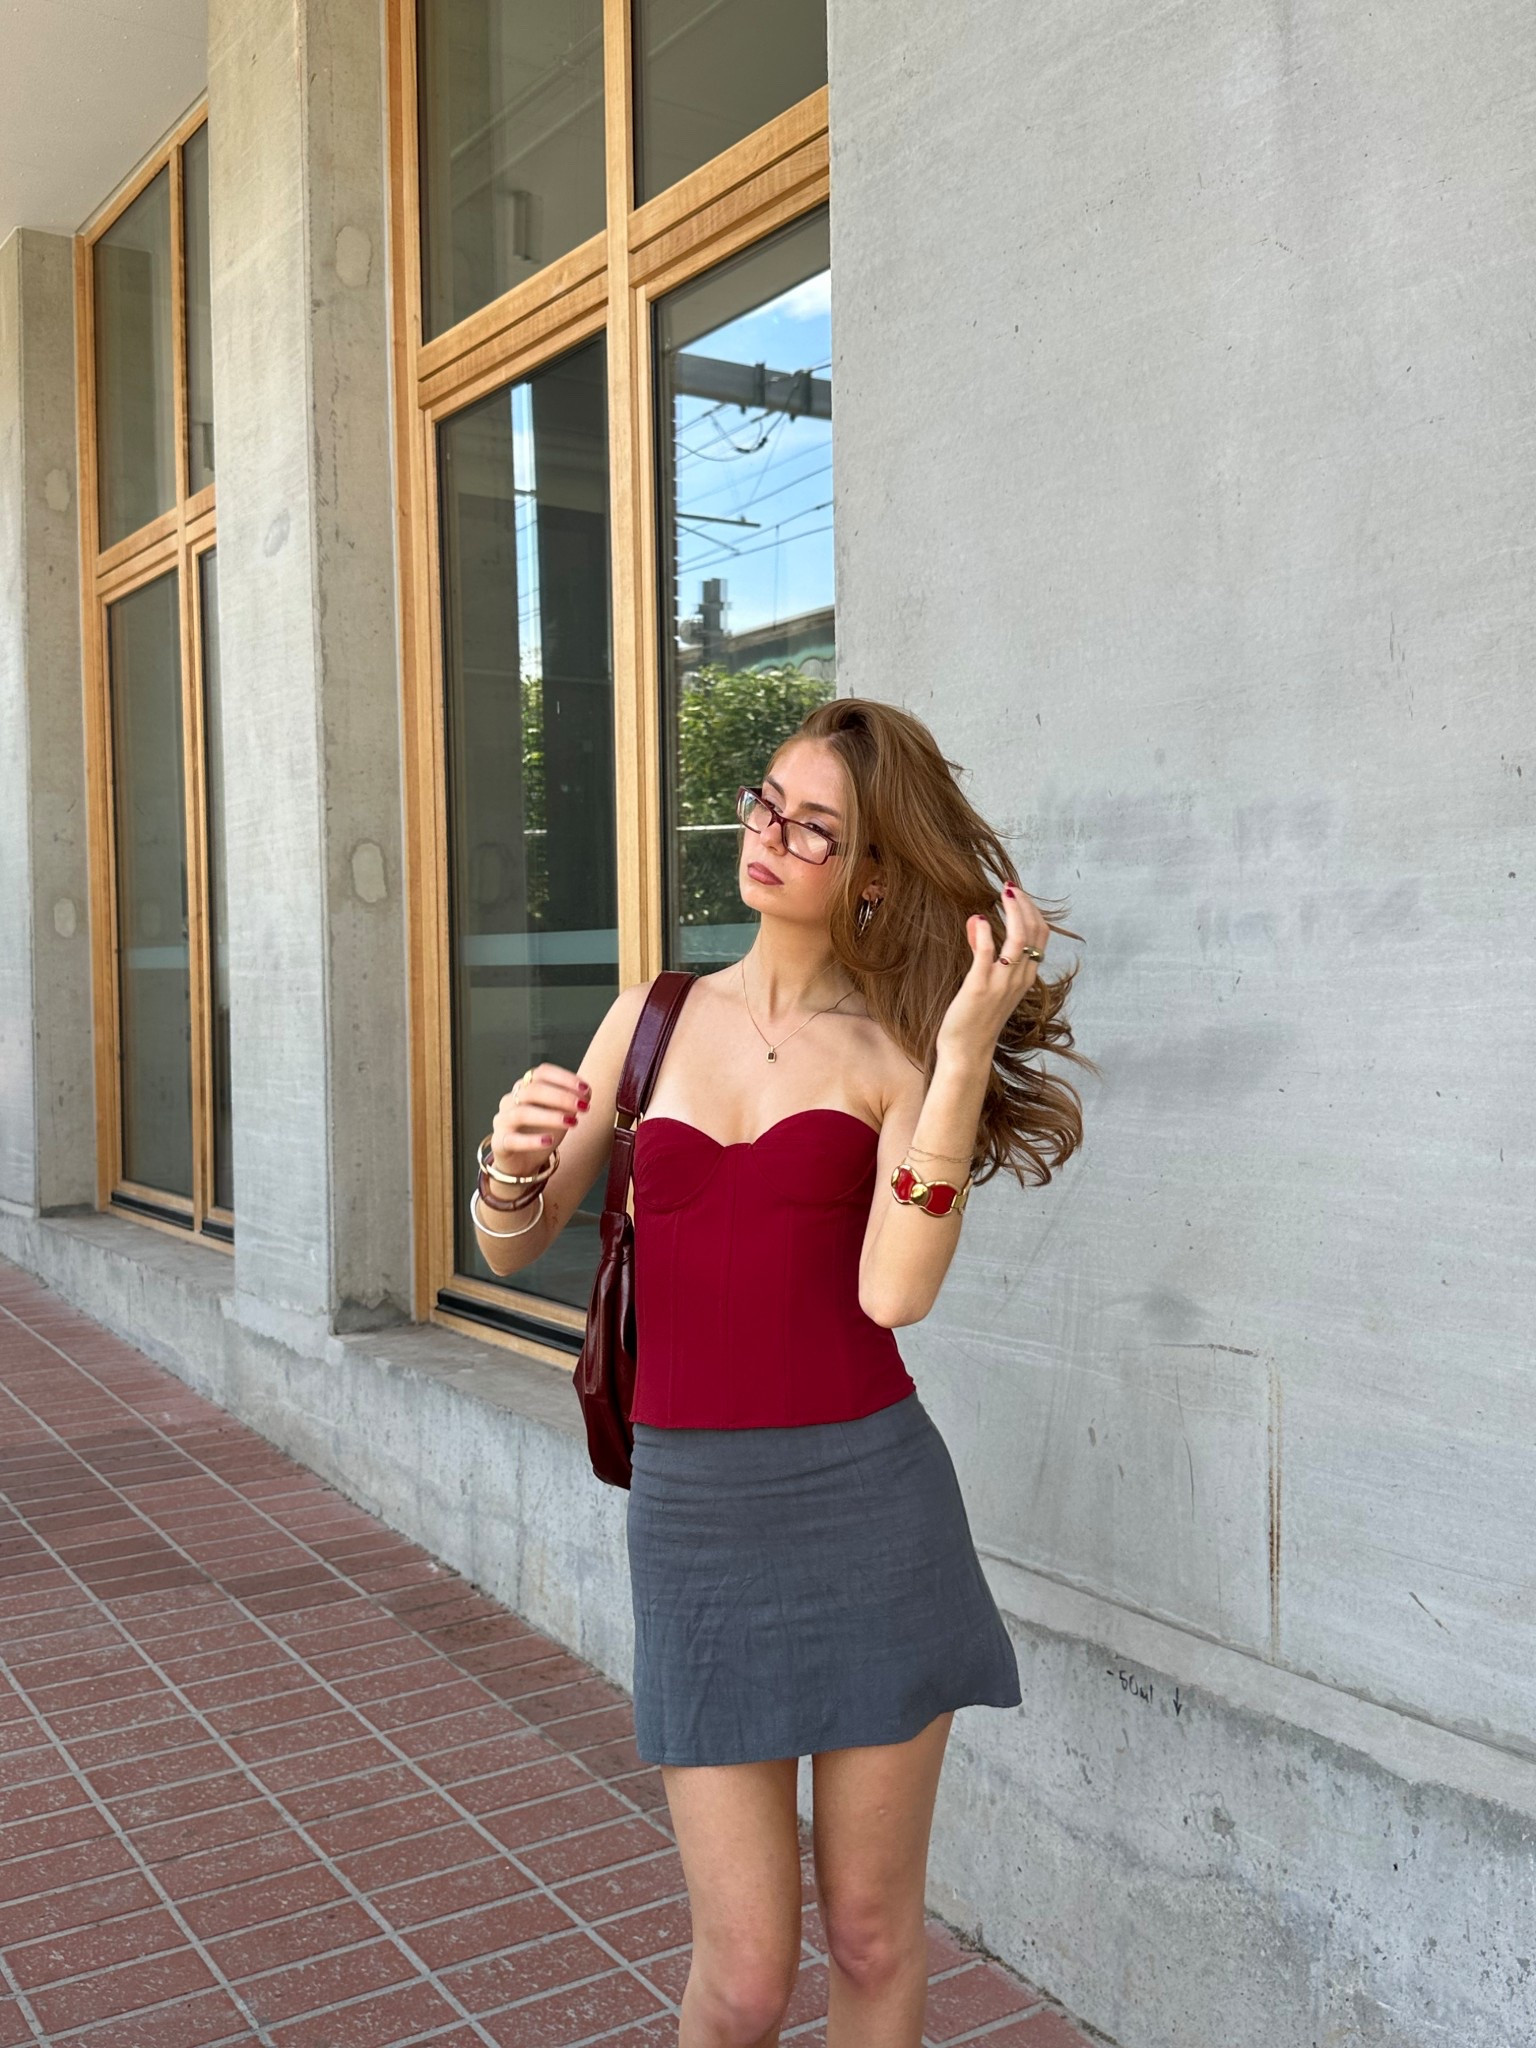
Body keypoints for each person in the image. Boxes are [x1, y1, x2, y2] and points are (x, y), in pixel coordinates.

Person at [473, 697, 1092, 2048]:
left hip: (873, 1505)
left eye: (815, 826)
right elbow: (510, 1246)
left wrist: (968, 1051)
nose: (770, 836)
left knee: (873, 1936)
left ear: (872, 869)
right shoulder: (652, 1016)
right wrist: (511, 1164)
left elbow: (893, 1293)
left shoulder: (893, 1052)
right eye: (765, 804)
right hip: (694, 1515)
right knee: (745, 1979)